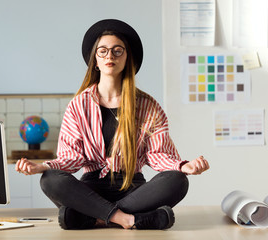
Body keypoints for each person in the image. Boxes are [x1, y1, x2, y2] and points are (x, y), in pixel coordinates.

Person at [15, 19, 209, 230]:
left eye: (118, 51)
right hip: (90, 190)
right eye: (103, 51)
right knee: (50, 179)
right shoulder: (78, 105)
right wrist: (43, 166)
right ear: (95, 60)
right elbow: (71, 157)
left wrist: (184, 166)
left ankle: (93, 218)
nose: (110, 56)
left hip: (134, 189)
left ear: (127, 58)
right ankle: (130, 220)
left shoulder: (147, 105)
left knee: (178, 180)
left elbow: (157, 154)